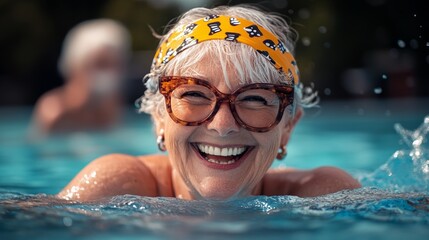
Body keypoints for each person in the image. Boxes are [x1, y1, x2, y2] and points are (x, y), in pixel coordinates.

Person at [58, 5, 360, 201]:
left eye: (254, 99)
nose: (223, 125)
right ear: (159, 117)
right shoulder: (116, 185)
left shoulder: (320, 195)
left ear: (288, 127)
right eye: (194, 95)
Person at [30, 19, 131, 136]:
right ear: (75, 65)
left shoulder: (111, 108)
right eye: (101, 64)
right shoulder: (54, 111)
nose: (110, 73)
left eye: (116, 64)